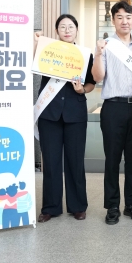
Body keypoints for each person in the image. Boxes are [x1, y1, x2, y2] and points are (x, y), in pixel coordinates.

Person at [92, 1, 132, 225]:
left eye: (128, 17)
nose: (124, 21)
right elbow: (98, 77)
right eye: (120, 17)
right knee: (112, 159)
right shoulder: (106, 46)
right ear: (113, 20)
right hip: (113, 108)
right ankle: (112, 206)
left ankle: (131, 204)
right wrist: (98, 55)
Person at [34, 14, 96, 223]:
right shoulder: (47, 50)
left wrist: (81, 90)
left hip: (75, 113)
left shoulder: (85, 55)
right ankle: (50, 207)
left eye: (71, 27)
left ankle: (77, 206)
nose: (67, 30)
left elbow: (91, 83)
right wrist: (35, 43)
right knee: (51, 162)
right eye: (62, 27)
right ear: (56, 31)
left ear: (76, 30)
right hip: (49, 113)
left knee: (75, 161)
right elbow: (31, 63)